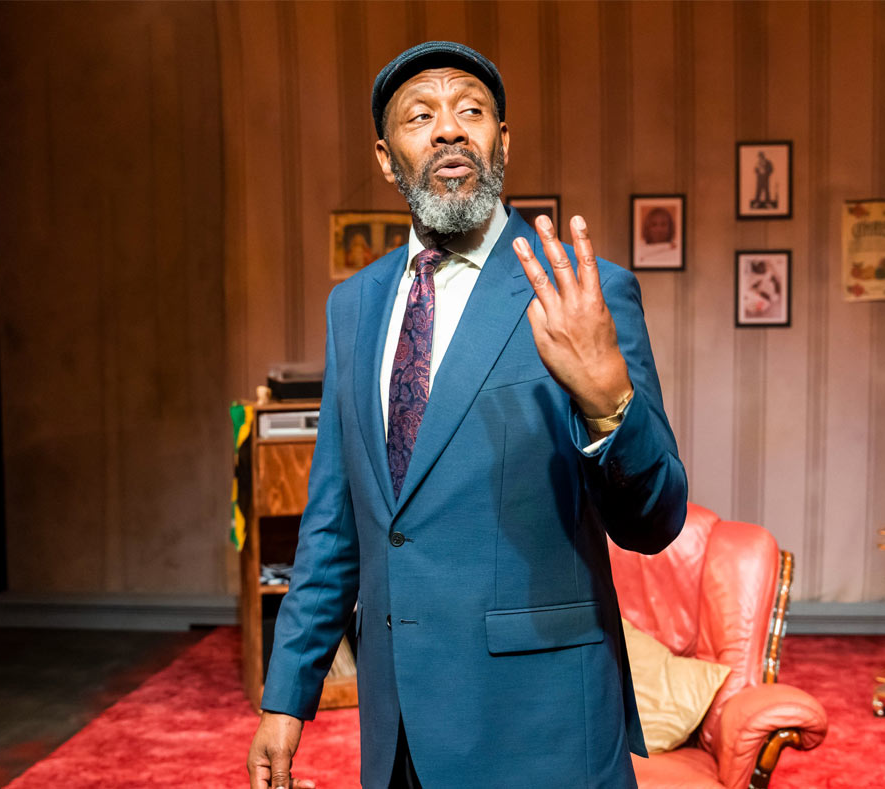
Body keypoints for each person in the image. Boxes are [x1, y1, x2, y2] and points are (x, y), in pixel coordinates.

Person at [246, 41, 687, 789]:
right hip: (399, 735)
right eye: (422, 116)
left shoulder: (582, 291)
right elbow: (335, 524)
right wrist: (287, 694)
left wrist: (610, 403)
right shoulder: (353, 305)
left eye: (471, 112)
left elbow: (654, 521)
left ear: (501, 142)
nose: (449, 129)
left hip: (543, 726)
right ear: (388, 160)